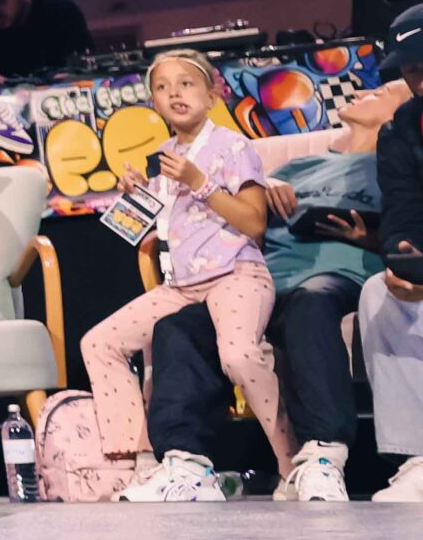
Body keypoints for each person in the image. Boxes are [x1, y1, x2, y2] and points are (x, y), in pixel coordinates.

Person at [142, 74, 403, 503]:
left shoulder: (396, 164)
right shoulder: (299, 166)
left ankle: (323, 455)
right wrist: (263, 188)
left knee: (309, 304)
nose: (361, 92)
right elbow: (243, 212)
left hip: (336, 274)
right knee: (179, 327)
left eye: (380, 92)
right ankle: (186, 463)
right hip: (264, 278)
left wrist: (368, 237)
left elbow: (408, 232)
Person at [89, 52, 292, 500]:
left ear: (212, 94)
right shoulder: (163, 158)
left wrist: (201, 182)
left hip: (235, 273)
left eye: (185, 84)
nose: (174, 94)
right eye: (162, 88)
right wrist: (134, 196)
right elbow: (154, 230)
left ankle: (290, 463)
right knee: (99, 343)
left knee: (239, 356)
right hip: (180, 286)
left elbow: (254, 223)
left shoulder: (233, 146)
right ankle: (142, 460)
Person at [359, 6, 423, 503]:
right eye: (411, 69)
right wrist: (402, 255)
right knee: (379, 293)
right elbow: (400, 212)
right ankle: (418, 458)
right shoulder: (400, 130)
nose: (419, 79)